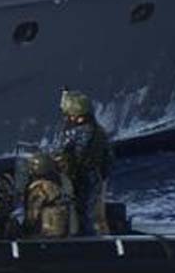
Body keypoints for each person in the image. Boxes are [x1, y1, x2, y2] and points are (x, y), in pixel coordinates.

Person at [54, 91, 113, 235]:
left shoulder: (77, 133)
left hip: (80, 177)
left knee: (81, 214)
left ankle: (84, 241)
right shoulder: (99, 131)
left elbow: (66, 154)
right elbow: (108, 158)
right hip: (94, 176)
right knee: (89, 213)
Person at [23, 153, 70, 238]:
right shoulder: (55, 186)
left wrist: (25, 228)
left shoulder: (39, 188)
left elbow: (33, 214)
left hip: (45, 233)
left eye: (33, 166)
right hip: (59, 232)